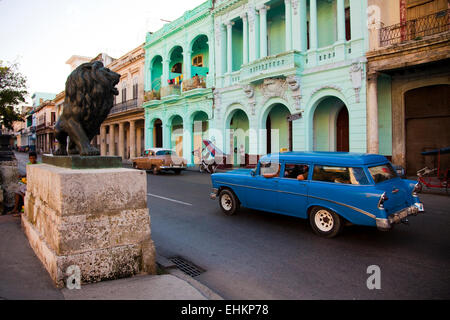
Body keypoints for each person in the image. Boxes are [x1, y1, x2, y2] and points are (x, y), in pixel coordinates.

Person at [7, 152, 39, 216]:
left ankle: (25, 211)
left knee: (23, 193)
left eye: (33, 158)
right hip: (28, 182)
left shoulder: (39, 165)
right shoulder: (29, 164)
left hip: (35, 183)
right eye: (30, 158)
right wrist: (22, 176)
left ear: (36, 158)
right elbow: (28, 174)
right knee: (17, 191)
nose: (32, 160)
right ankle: (15, 209)